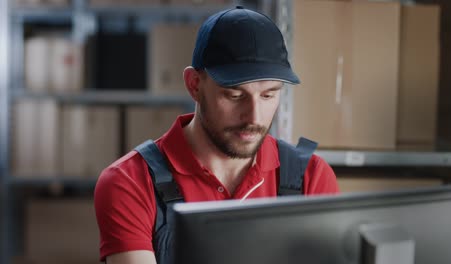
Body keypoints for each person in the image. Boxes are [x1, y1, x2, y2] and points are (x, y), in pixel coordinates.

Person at [94, 6, 339, 264]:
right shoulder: (130, 182)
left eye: (268, 95)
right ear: (194, 85)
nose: (254, 117)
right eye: (234, 95)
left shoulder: (311, 179)